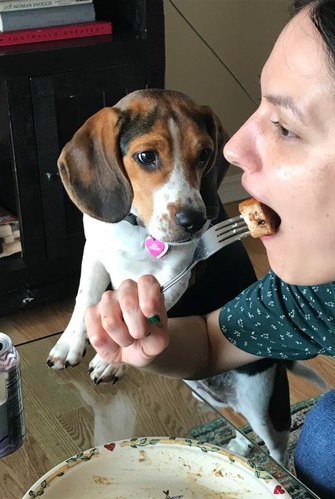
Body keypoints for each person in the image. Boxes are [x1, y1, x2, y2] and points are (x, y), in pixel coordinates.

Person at [85, 1, 335, 497]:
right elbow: (211, 340)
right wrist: (149, 343)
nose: (231, 149)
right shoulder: (315, 297)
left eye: (285, 127)